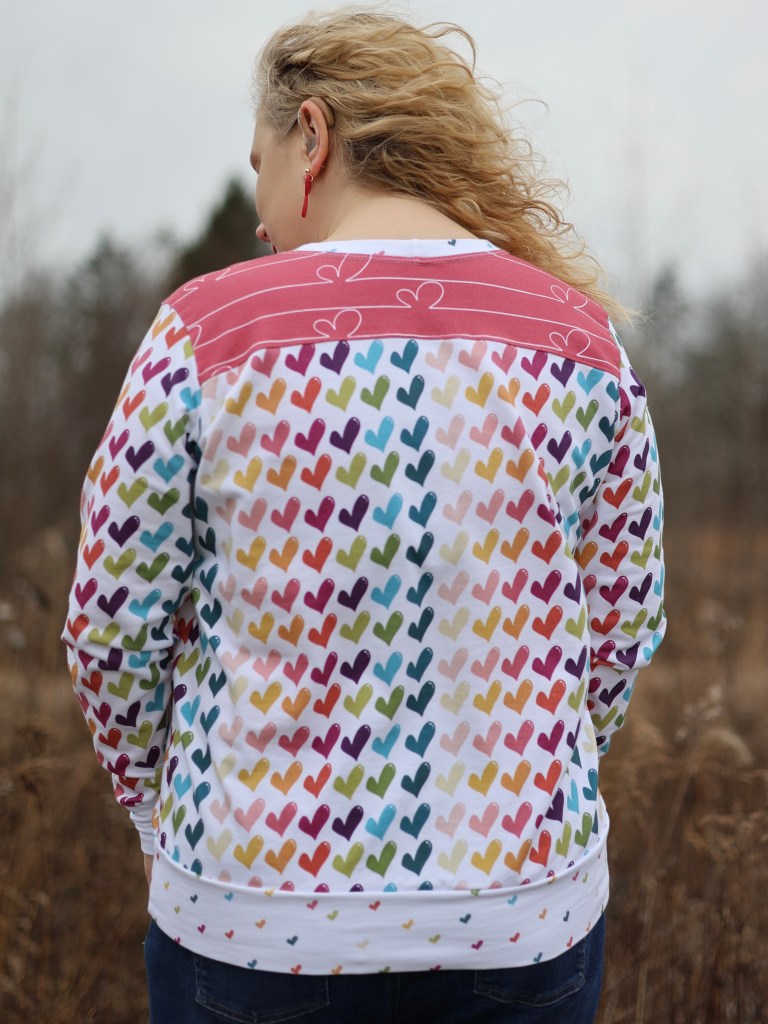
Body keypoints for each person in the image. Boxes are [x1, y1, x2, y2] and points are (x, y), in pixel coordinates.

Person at [63, 6, 665, 1022]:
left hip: (248, 922)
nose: (261, 216)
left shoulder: (204, 333)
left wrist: (157, 814)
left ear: (312, 135)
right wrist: (514, 792)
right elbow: (618, 630)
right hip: (524, 925)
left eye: (260, 165)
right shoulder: (583, 343)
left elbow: (110, 630)